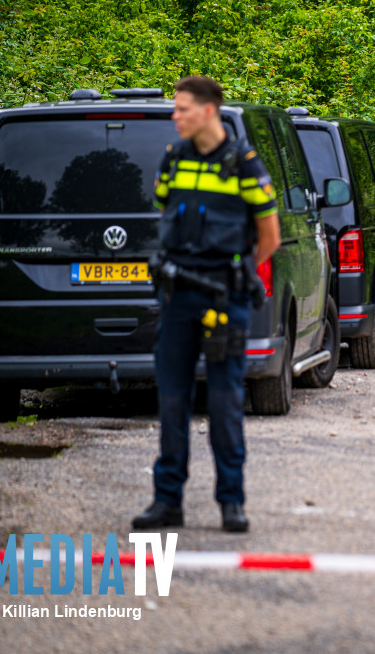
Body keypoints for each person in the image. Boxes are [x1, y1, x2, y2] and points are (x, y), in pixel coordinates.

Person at [133, 76, 281, 533]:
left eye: (182, 109)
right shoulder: (173, 159)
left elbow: (270, 237)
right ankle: (167, 501)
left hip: (225, 299)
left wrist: (234, 274)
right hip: (177, 298)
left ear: (208, 111)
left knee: (224, 402)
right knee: (173, 399)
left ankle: (231, 502)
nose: (174, 116)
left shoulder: (243, 164)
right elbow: (164, 215)